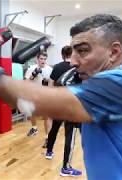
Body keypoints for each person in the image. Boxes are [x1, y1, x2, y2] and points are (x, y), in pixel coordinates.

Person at [0, 14, 122, 179]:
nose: (73, 61)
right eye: (72, 51)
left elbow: (36, 102)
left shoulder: (120, 86)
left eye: (82, 51)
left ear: (114, 52)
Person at [44, 45, 82, 177]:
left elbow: (51, 84)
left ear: (62, 54)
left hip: (58, 102)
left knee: (54, 127)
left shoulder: (57, 67)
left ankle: (49, 151)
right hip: (71, 105)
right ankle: (66, 167)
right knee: (70, 135)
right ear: (71, 54)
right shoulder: (76, 68)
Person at [24, 51, 52, 137]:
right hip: (34, 94)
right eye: (41, 59)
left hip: (45, 95)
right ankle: (34, 128)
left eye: (44, 59)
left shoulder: (49, 69)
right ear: (37, 59)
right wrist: (33, 75)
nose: (42, 61)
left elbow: (53, 82)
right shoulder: (31, 68)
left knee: (47, 116)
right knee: (33, 113)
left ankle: (47, 137)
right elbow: (25, 82)